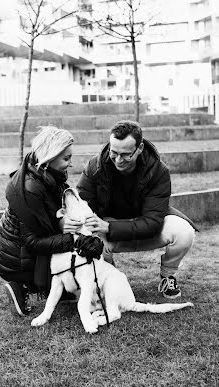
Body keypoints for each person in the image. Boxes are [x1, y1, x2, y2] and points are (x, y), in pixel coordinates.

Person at [77, 120, 198, 299]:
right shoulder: (95, 167)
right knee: (91, 236)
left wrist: (109, 228)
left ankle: (168, 275)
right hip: (109, 224)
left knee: (184, 232)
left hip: (142, 224)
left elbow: (152, 223)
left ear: (140, 148)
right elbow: (83, 207)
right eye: (114, 152)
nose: (118, 160)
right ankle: (107, 282)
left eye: (126, 155)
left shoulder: (158, 171)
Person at [0, 126, 82, 316]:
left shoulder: (48, 175)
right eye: (66, 158)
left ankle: (59, 287)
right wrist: (76, 241)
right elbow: (33, 242)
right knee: (76, 244)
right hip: (13, 259)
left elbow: (51, 217)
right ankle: (21, 286)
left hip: (17, 249)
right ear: (50, 157)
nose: (70, 164)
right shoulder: (31, 188)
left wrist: (63, 223)